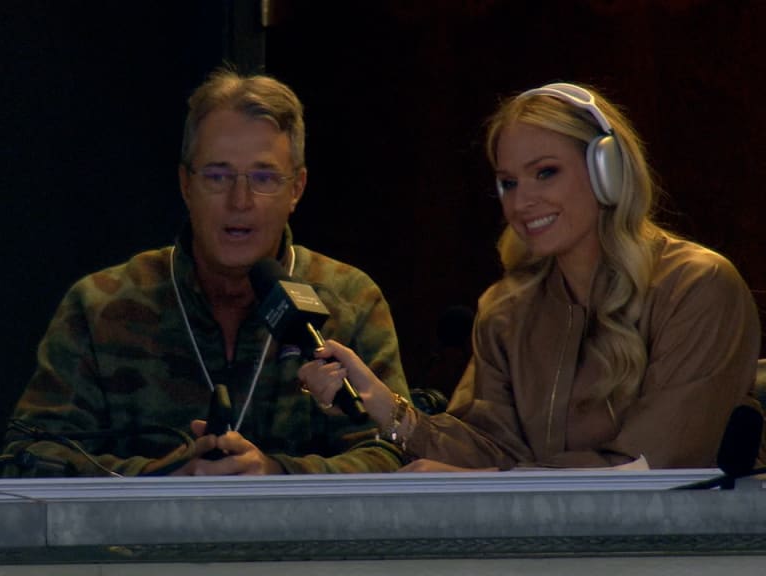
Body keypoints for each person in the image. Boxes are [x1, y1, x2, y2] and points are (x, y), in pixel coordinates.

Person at [300, 82, 762, 471]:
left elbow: (646, 470)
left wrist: (495, 490)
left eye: (546, 173)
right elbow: (492, 452)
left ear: (608, 171)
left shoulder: (699, 288)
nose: (522, 203)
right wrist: (384, 405)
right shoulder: (506, 308)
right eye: (509, 183)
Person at [0, 68, 410, 477]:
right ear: (185, 185)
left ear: (296, 189)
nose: (240, 200)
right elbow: (28, 458)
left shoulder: (350, 299)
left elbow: (394, 454)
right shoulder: (101, 305)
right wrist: (165, 479)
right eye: (218, 176)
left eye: (264, 177)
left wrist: (276, 476)